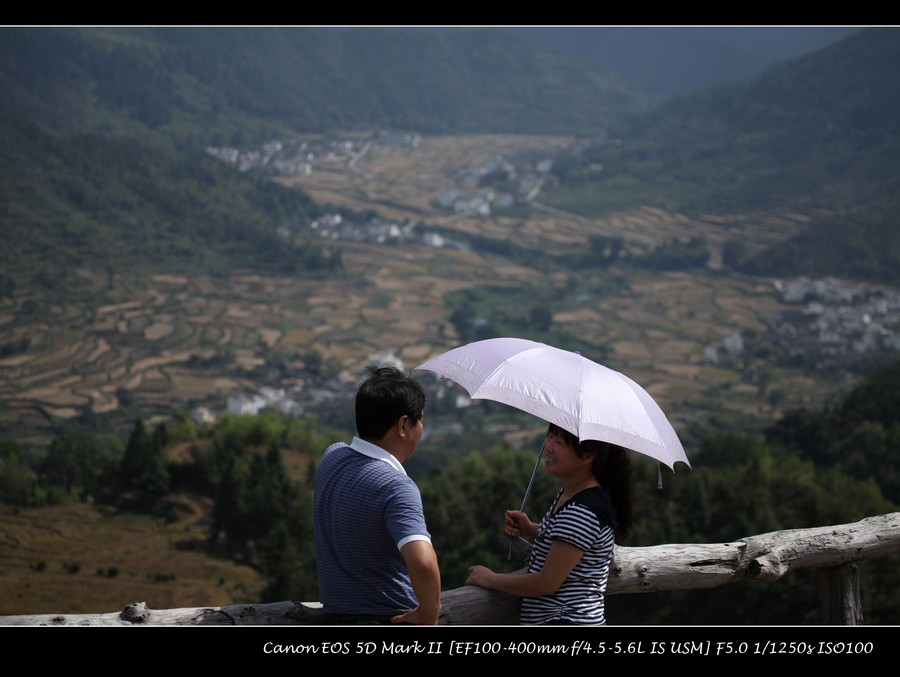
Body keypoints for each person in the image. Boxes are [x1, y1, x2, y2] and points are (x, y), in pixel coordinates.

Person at [465, 423, 633, 625]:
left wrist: (490, 579)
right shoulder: (573, 494)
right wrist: (532, 529)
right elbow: (573, 541)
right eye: (550, 436)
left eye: (560, 442)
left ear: (587, 457)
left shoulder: (582, 510)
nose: (548, 445)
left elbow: (546, 583)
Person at [313, 364, 441, 625]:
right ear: (404, 425)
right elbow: (423, 563)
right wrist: (429, 614)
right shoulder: (396, 486)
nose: (422, 429)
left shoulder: (331, 457)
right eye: (421, 420)